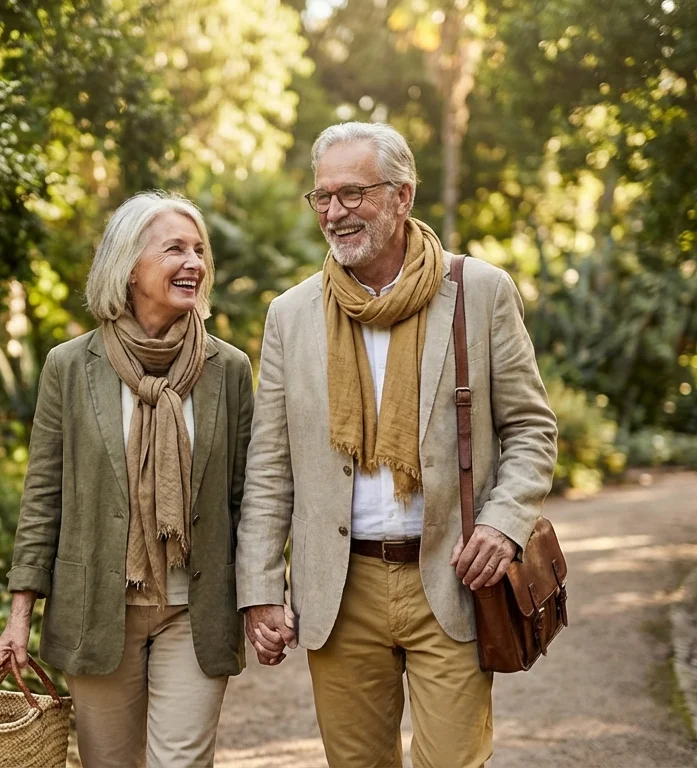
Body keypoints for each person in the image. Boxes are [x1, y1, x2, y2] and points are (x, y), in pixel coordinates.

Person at [235, 122, 558, 768]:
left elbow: (531, 429)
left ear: (402, 196)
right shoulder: (291, 315)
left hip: (452, 578)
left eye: (352, 193)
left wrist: (503, 524)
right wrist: (261, 587)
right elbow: (270, 465)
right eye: (323, 196)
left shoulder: (479, 292)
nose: (335, 212)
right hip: (340, 589)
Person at [0, 190, 254, 768]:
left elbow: (246, 497)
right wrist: (20, 615)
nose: (193, 263)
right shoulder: (70, 366)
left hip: (195, 607)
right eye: (174, 250)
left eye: (199, 250)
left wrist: (263, 596)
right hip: (98, 606)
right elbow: (43, 495)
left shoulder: (229, 369)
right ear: (129, 267)